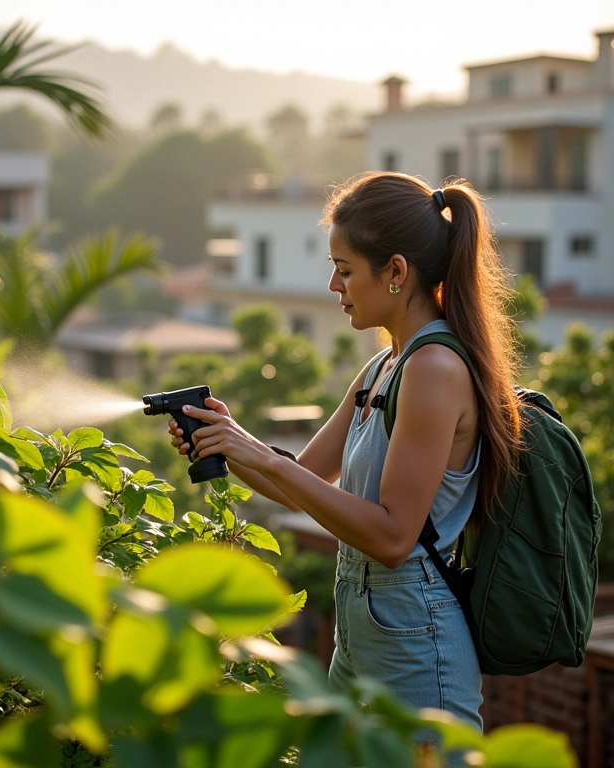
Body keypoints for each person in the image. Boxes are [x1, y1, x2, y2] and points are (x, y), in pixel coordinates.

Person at [167, 171, 523, 730]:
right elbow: (299, 479)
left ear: (396, 273)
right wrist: (228, 439)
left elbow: (391, 537)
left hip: (413, 635)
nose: (334, 286)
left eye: (344, 270)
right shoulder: (382, 368)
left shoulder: (433, 370)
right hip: (362, 626)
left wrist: (256, 455)